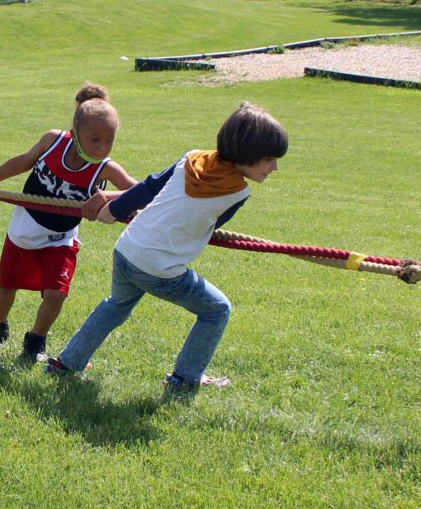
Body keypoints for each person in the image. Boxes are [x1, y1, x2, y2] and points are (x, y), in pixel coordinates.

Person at [47, 102, 285, 393]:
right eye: (269, 159)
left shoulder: (192, 157)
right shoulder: (238, 192)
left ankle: (66, 363)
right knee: (217, 310)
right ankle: (185, 379)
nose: (274, 167)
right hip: (159, 269)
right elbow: (208, 225)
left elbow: (150, 187)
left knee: (116, 305)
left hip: (127, 250)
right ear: (248, 153)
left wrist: (115, 209)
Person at [0, 83, 135, 363]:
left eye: (110, 140)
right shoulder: (53, 141)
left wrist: (107, 195)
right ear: (75, 133)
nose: (103, 147)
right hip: (25, 229)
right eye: (95, 139)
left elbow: (139, 191)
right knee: (8, 284)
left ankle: (36, 339)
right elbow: (23, 161)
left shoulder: (105, 168)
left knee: (57, 293)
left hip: (61, 236)